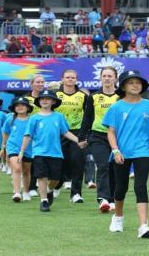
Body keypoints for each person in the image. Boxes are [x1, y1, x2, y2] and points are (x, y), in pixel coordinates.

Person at [104, 70, 149, 238]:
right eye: (131, 82)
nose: (135, 85)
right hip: (121, 152)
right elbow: (111, 132)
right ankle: (118, 216)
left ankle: (143, 226)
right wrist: (115, 150)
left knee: (140, 186)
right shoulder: (116, 107)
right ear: (123, 86)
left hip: (143, 150)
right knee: (121, 187)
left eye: (138, 82)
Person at [18, 90, 83, 212]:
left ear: (53, 101)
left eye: (48, 98)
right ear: (39, 101)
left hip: (56, 153)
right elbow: (28, 135)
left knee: (56, 179)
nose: (45, 100)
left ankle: (49, 190)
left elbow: (65, 132)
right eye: (42, 98)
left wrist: (78, 140)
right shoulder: (34, 118)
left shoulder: (59, 117)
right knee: (42, 176)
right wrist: (22, 151)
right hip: (39, 152)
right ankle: (44, 201)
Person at [79, 67, 119, 212]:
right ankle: (103, 199)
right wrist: (82, 137)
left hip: (117, 137)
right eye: (104, 76)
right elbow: (87, 118)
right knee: (103, 166)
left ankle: (114, 199)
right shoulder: (93, 97)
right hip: (98, 136)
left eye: (110, 76)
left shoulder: (121, 97)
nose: (107, 78)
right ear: (100, 78)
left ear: (115, 78)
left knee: (115, 168)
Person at [54, 70, 88, 203]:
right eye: (67, 77)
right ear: (62, 79)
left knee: (78, 163)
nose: (70, 79)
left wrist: (85, 134)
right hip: (58, 133)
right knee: (60, 162)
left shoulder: (82, 96)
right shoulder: (55, 95)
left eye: (73, 77)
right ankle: (56, 185)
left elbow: (87, 115)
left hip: (77, 133)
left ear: (76, 79)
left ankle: (76, 193)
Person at [0, 97, 33, 202]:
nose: (20, 107)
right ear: (14, 108)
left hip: (29, 148)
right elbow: (5, 133)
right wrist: (3, 147)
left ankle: (26, 191)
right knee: (17, 168)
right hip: (13, 147)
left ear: (28, 107)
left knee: (26, 170)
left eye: (23, 105)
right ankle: (17, 192)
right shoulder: (10, 119)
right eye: (17, 105)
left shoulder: (32, 120)